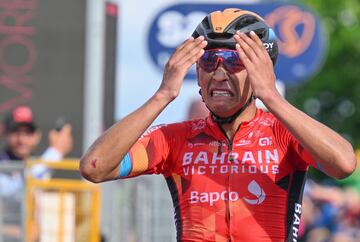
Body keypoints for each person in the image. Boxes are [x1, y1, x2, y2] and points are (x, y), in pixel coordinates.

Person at [80, 8, 357, 241]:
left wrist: (271, 96)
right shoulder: (175, 140)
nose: (219, 74)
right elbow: (95, 167)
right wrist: (162, 95)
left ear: (261, 70)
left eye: (235, 60)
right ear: (197, 73)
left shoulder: (284, 134)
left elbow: (343, 164)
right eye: (209, 61)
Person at [0, 105, 73, 241]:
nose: (22, 140)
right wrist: (55, 153)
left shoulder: (36, 164)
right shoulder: (3, 164)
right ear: (5, 135)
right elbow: (15, 189)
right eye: (16, 132)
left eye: (28, 133)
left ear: (37, 135)